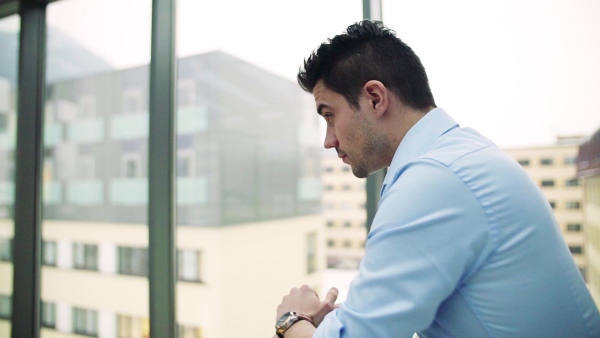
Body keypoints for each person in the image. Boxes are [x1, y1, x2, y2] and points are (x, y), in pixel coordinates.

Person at [273, 20, 600, 338]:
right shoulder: (458, 155)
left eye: (329, 115)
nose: (328, 141)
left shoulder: (432, 182)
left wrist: (291, 320)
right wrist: (350, 316)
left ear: (375, 98)